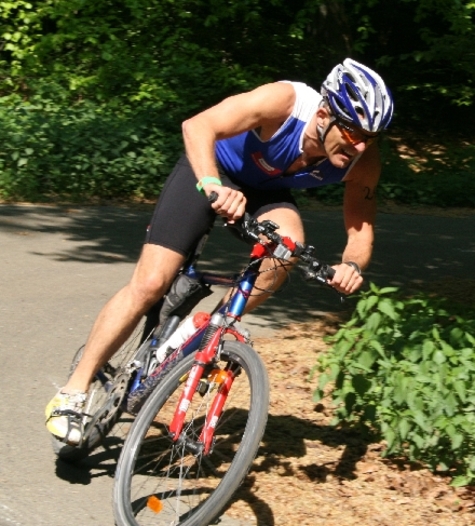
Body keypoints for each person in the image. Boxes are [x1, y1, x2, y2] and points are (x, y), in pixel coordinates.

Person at [45, 58, 394, 445]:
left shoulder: (363, 160)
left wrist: (351, 266)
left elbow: (361, 229)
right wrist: (212, 185)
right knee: (151, 283)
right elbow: (197, 126)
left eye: (370, 137)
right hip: (210, 170)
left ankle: (210, 329)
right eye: (352, 131)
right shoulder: (284, 102)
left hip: (264, 193)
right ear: (325, 114)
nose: (360, 145)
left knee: (289, 247)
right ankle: (73, 393)